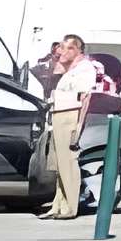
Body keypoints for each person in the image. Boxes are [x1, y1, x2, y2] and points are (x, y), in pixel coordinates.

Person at [36, 34, 100, 221]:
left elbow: (85, 98)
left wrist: (79, 126)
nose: (60, 51)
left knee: (68, 163)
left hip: (70, 114)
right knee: (59, 164)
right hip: (58, 114)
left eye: (64, 48)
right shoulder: (68, 68)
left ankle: (70, 207)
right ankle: (58, 205)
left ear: (75, 50)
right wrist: (60, 62)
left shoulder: (85, 69)